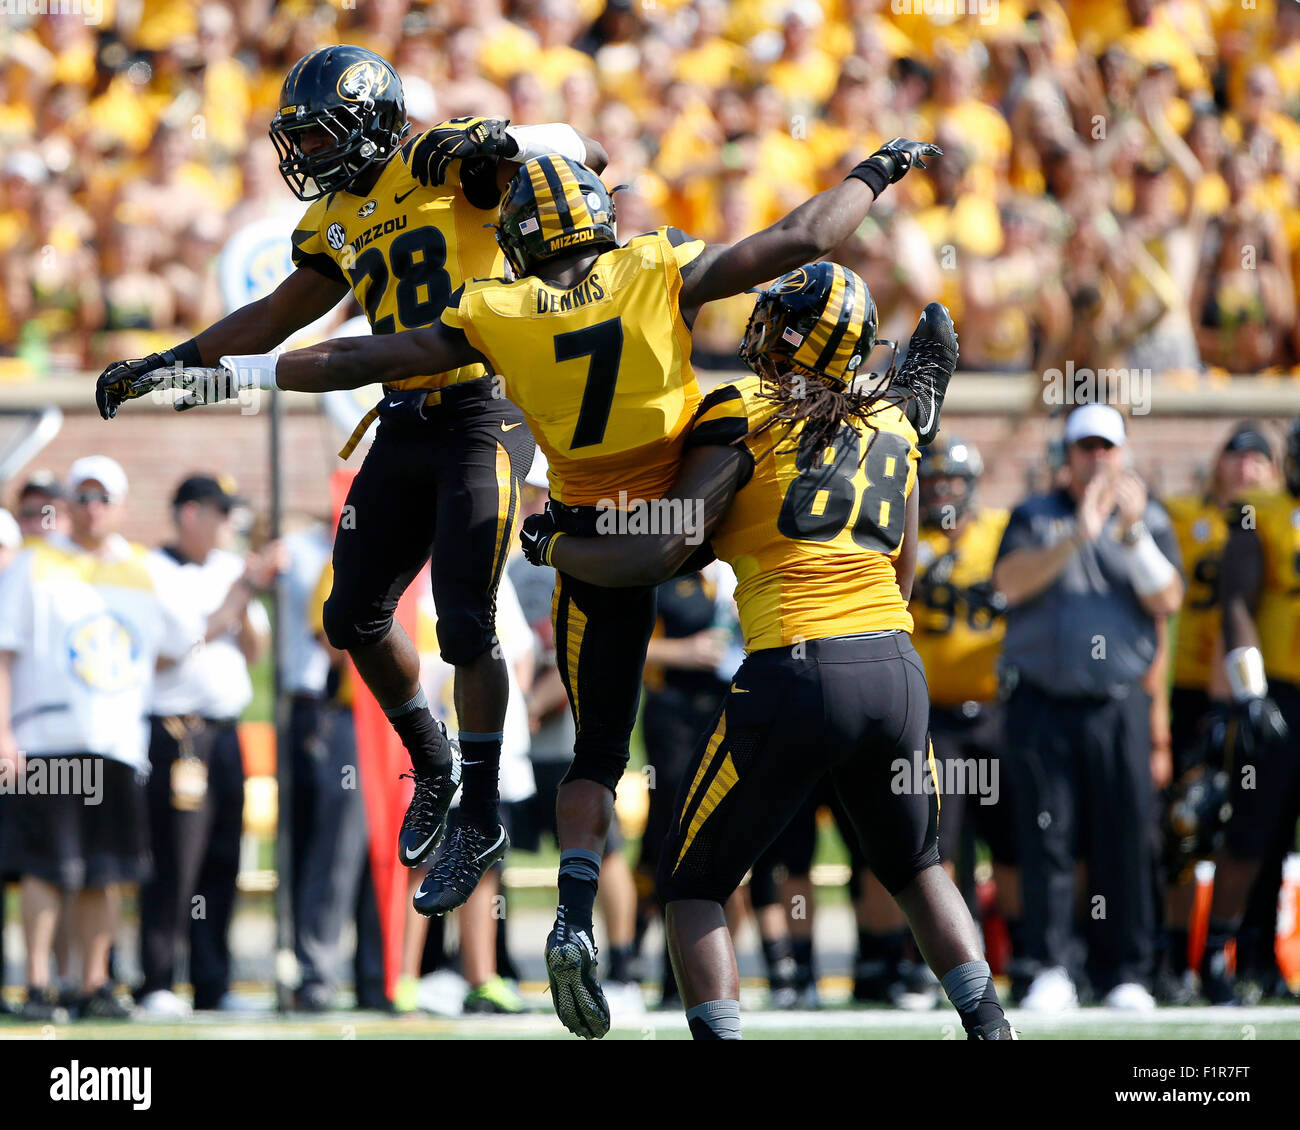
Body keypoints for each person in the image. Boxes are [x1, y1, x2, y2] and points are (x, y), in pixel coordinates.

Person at [150, 136, 944, 1038]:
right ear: (602, 223)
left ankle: (570, 910)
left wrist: (220, 367)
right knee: (763, 425)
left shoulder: (500, 307)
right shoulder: (651, 264)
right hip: (690, 513)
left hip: (594, 541)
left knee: (597, 754)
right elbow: (803, 236)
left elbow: (362, 359)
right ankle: (897, 413)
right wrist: (876, 171)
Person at [93, 45, 605, 914]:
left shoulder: (444, 164)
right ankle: (433, 756)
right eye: (300, 139)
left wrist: (494, 142)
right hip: (405, 417)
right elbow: (278, 314)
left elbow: (579, 152)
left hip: (481, 410)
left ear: (370, 120)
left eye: (322, 134)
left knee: (470, 623)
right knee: (351, 616)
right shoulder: (335, 213)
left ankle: (479, 808)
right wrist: (176, 355)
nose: (311, 155)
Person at [521, 263, 1010, 1041]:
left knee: (692, 882)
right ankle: (992, 1029)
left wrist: (559, 545)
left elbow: (664, 543)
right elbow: (902, 574)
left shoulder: (746, 412)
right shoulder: (893, 427)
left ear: (792, 336)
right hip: (896, 665)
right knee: (918, 867)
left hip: (798, 662)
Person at [993, 404, 1184, 1012]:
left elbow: (1168, 597)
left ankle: (1124, 969)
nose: (1097, 460)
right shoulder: (1034, 515)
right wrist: (1079, 531)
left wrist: (1128, 534)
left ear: (1122, 456)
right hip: (1043, 701)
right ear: (1067, 457)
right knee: (1048, 836)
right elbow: (1010, 582)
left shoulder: (1150, 518)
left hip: (1118, 704)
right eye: (1086, 449)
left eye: (1107, 449)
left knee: (1126, 837)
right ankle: (1052, 965)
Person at [0, 457, 204, 1021]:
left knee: (106, 869)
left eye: (102, 498)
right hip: (47, 735)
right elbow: (5, 652)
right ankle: (39, 984)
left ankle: (94, 982)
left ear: (119, 505)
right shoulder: (35, 565)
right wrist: (4, 733)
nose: (92, 508)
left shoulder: (141, 568)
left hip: (116, 740)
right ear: (68, 503)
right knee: (45, 868)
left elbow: (182, 638)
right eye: (83, 497)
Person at [136, 475, 281, 1016]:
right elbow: (182, 645)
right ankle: (157, 980)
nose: (227, 527)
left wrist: (246, 594)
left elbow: (254, 648)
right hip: (177, 732)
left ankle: (212, 980)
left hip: (225, 731)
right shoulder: (154, 572)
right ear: (190, 513)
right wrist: (239, 594)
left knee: (223, 858)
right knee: (175, 860)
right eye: (219, 514)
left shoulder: (227, 568)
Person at [1160, 423, 1278, 1001]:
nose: (1246, 469)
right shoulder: (1183, 517)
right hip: (1188, 690)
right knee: (1185, 828)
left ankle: (1247, 959)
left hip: (1253, 694)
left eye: (1259, 460)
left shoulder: (1274, 523)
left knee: (1258, 830)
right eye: (1236, 456)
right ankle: (1177, 957)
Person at [907, 436, 1021, 993]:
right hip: (934, 717)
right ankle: (945, 964)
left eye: (953, 481)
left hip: (998, 713)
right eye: (934, 481)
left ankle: (1021, 953)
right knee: (939, 847)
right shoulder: (910, 541)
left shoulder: (1000, 533)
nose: (944, 491)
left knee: (1011, 840)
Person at [1205, 416, 1300, 1004]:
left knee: (1280, 840)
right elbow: (1235, 601)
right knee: (1251, 832)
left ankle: (1265, 960)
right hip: (1280, 693)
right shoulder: (1257, 511)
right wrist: (1251, 689)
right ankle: (1217, 954)